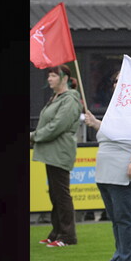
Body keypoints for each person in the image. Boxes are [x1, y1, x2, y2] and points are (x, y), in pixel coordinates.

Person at [83, 71, 131, 261]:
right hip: (108, 171)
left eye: (122, 80)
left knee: (125, 218)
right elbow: (115, 134)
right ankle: (119, 258)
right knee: (116, 218)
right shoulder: (117, 108)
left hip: (124, 170)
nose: (117, 84)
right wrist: (96, 123)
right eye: (115, 80)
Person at [31, 64, 83, 247]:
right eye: (49, 76)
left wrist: (33, 137)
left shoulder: (70, 99)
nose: (49, 79)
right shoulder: (56, 98)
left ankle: (68, 236)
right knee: (55, 194)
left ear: (64, 78)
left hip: (60, 152)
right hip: (52, 152)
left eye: (53, 75)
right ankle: (56, 233)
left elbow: (57, 125)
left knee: (61, 195)